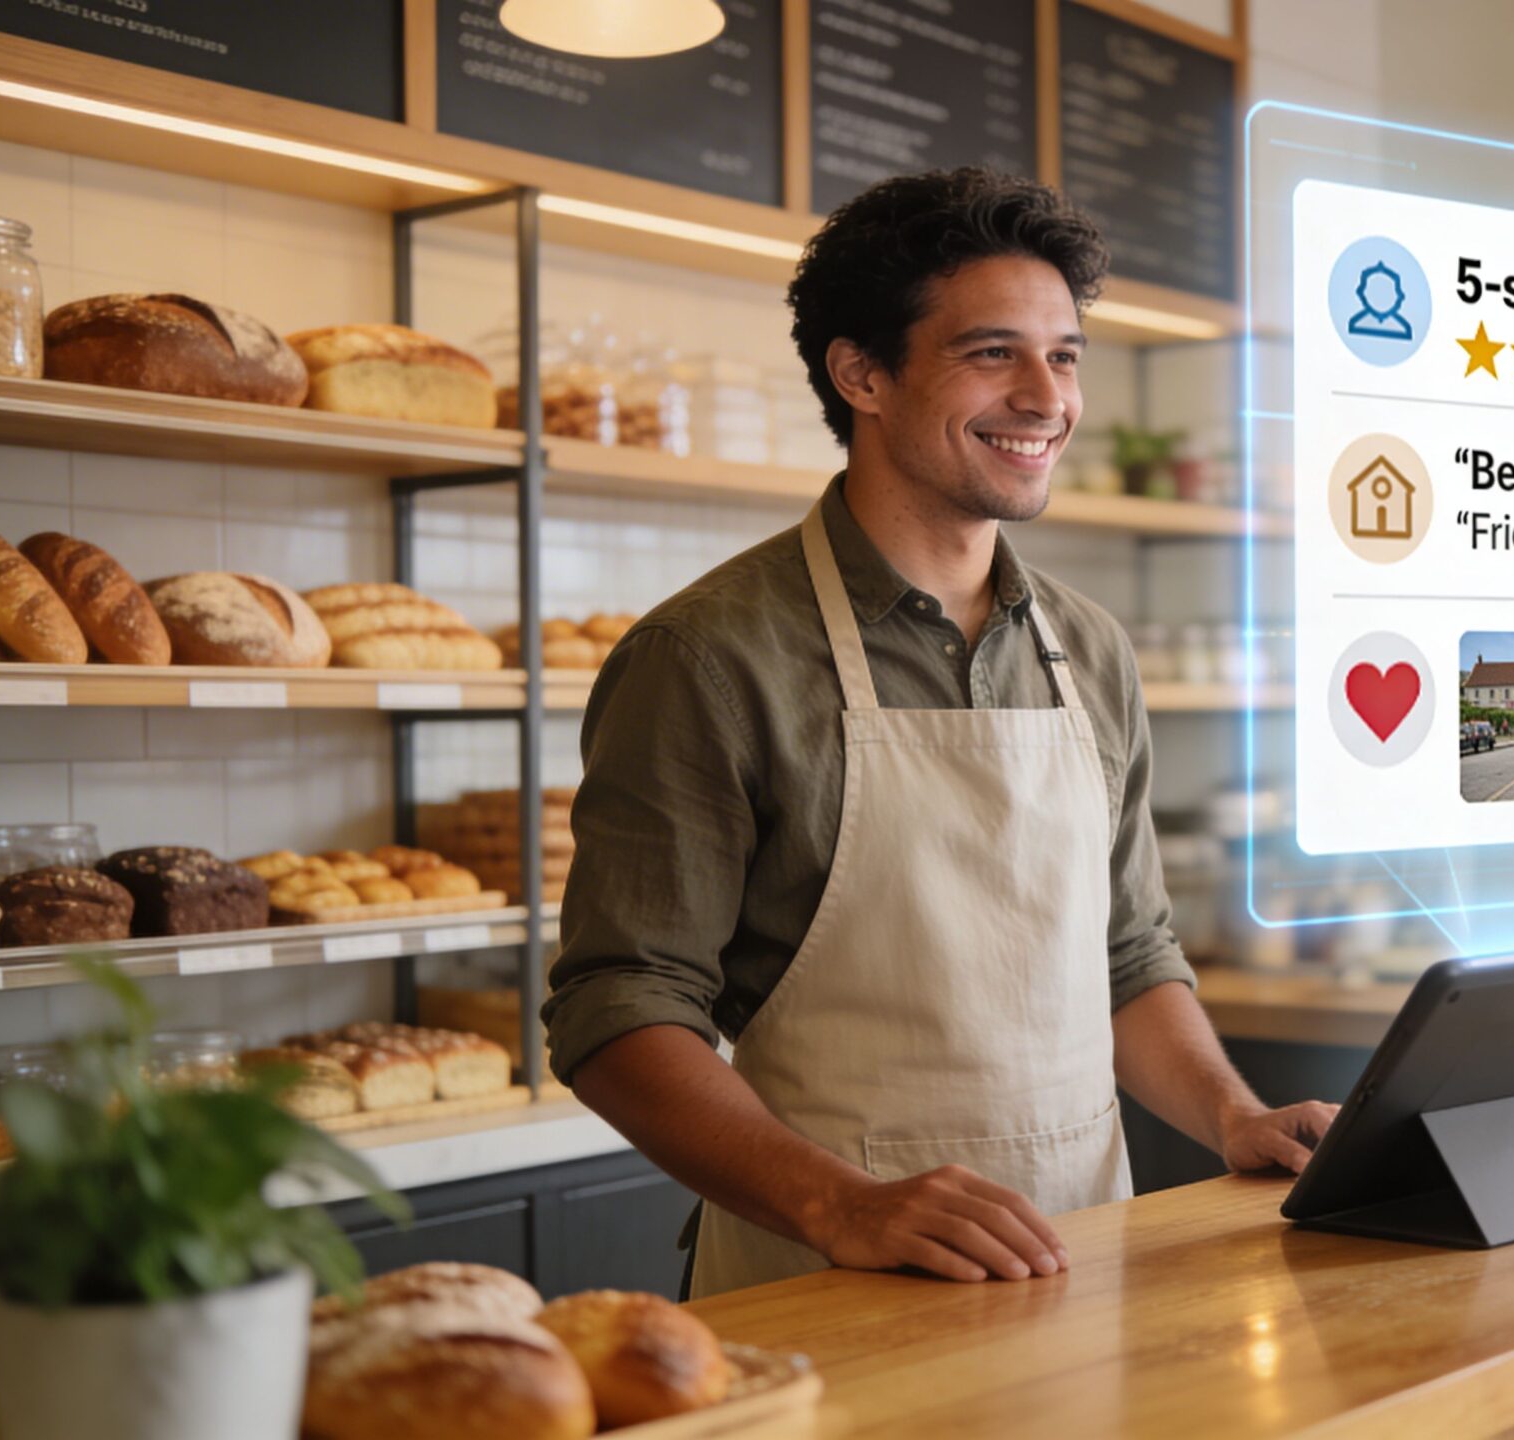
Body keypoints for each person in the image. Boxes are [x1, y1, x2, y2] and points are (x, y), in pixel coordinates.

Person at [542, 169, 1334, 1298]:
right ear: (861, 373)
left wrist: (1233, 1115)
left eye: (1063, 356)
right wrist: (840, 1204)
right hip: (822, 1281)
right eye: (990, 353)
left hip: (1081, 1261)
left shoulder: (1091, 649)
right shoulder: (708, 658)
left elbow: (1130, 955)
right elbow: (618, 1010)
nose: (1045, 397)